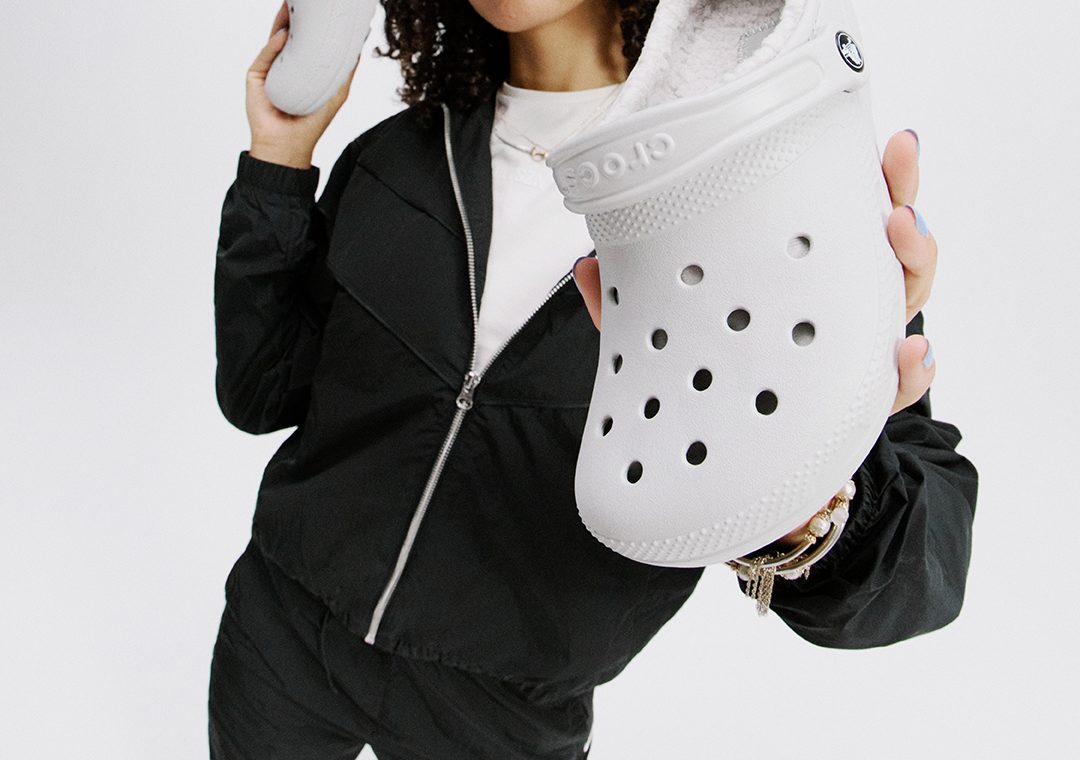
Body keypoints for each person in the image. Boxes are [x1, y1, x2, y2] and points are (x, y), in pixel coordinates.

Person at [208, 1, 979, 758]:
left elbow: (925, 578)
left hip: (502, 713)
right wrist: (278, 162)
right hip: (280, 637)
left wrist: (802, 504)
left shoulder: (760, 186)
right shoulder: (396, 158)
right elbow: (262, 391)